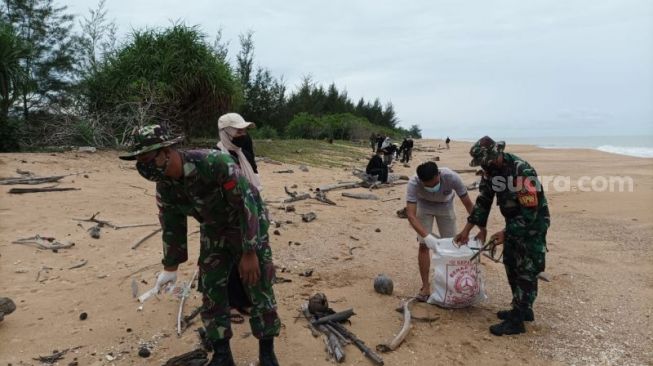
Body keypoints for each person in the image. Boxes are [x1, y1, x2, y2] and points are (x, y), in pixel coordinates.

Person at [119, 125, 280, 366]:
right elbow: (172, 224)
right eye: (138, 160)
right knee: (211, 290)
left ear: (166, 151)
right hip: (213, 230)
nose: (143, 165)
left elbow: (247, 206)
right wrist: (170, 267)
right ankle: (223, 354)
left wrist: (249, 252)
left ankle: (267, 352)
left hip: (247, 226)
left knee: (258, 286)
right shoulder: (165, 184)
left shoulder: (214, 163)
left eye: (146, 157)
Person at [454, 136, 550, 336]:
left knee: (526, 268)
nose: (484, 167)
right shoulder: (491, 173)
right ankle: (523, 309)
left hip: (532, 226)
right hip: (514, 224)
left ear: (496, 155)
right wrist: (467, 229)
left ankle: (517, 320)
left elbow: (530, 213)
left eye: (485, 162)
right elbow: (483, 202)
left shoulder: (521, 172)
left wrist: (505, 233)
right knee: (510, 263)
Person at [405, 161, 475, 302]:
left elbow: (468, 204)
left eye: (434, 183)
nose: (432, 187)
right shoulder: (413, 183)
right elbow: (411, 215)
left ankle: (450, 285)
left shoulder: (452, 177)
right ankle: (425, 287)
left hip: (445, 205)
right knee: (424, 246)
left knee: (452, 246)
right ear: (421, 181)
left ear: (439, 174)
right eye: (428, 186)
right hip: (424, 206)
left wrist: (480, 226)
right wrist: (426, 237)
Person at [217, 113, 261, 192]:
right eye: (239, 132)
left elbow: (254, 175)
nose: (243, 135)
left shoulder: (246, 155)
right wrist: (236, 183)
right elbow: (216, 188)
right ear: (226, 133)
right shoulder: (215, 156)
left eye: (245, 132)